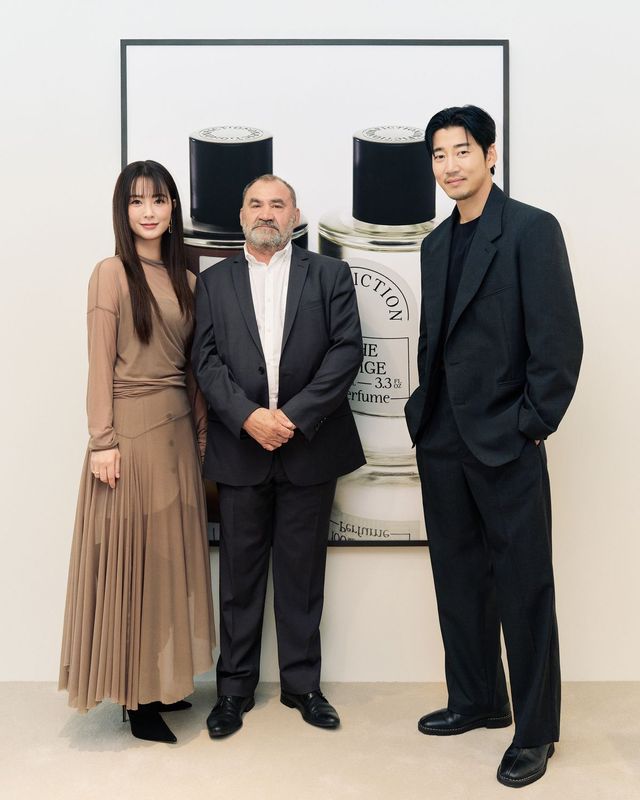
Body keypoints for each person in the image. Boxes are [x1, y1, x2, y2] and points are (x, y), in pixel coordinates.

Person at [404, 106, 582, 788]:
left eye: (462, 151)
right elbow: (437, 339)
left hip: (507, 438)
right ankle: (478, 699)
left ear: (490, 155)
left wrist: (531, 423)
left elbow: (559, 341)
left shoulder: (531, 230)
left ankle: (535, 732)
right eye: (439, 155)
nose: (450, 165)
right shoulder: (434, 244)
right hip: (442, 437)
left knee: (523, 586)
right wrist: (424, 415)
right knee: (458, 579)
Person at [193, 174, 364, 737]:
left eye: (278, 204)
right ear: (241, 215)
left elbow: (346, 351)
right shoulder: (213, 282)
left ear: (295, 216)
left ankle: (303, 687)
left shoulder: (330, 275)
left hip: (309, 445)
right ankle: (233, 691)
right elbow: (205, 361)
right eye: (256, 204)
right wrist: (248, 417)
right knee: (238, 579)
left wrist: (289, 418)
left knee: (302, 575)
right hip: (240, 448)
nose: (266, 213)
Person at [59, 160, 215, 743]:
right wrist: (101, 440)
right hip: (129, 434)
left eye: (159, 200)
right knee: (136, 563)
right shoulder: (111, 274)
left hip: (177, 436)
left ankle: (162, 680)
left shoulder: (188, 281)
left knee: (170, 561)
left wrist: (201, 439)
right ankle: (136, 696)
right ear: (122, 211)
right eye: (136, 201)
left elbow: (193, 373)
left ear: (174, 208)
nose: (149, 212)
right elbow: (99, 362)